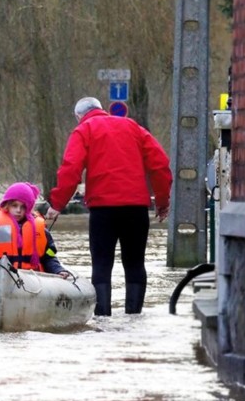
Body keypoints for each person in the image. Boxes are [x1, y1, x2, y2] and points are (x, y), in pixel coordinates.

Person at [45, 97, 172, 316]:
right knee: (135, 263)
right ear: (101, 109)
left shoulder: (84, 130)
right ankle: (134, 317)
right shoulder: (133, 127)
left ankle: (103, 319)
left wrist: (57, 204)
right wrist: (161, 201)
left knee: (102, 266)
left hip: (103, 210)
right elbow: (159, 164)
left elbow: (70, 169)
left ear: (79, 116)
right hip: (136, 209)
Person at [0, 182, 71, 278]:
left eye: (23, 207)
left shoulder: (41, 231)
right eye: (14, 205)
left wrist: (58, 270)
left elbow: (49, 257)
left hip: (34, 278)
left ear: (29, 208)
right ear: (7, 205)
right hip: (3, 278)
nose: (18, 210)